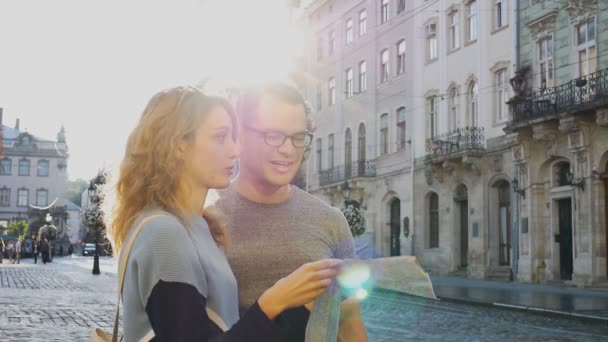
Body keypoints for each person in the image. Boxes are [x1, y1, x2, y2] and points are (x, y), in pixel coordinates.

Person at [109, 86, 340, 342]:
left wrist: (301, 309)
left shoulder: (199, 225)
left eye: (234, 137)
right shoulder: (165, 233)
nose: (235, 150)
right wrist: (275, 301)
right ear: (178, 145)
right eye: (221, 137)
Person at [212, 83, 368, 341]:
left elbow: (348, 320)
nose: (288, 149)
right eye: (273, 135)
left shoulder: (330, 220)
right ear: (240, 134)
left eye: (298, 137)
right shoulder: (206, 215)